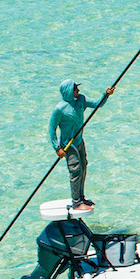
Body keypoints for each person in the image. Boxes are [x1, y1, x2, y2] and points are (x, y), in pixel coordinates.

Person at [49, 79, 115, 209]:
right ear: (69, 91)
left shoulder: (81, 100)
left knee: (83, 167)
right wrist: (57, 148)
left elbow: (97, 104)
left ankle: (81, 197)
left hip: (79, 141)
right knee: (75, 171)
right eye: (75, 89)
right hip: (68, 145)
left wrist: (106, 95)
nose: (78, 90)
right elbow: (52, 129)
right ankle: (76, 202)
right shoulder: (59, 109)